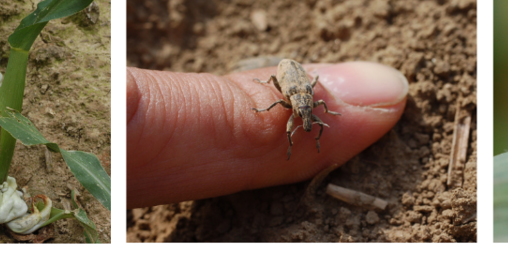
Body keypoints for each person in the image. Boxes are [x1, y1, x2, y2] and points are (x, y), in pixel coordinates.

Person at [127, 61, 408, 209]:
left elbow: (319, 112)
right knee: (277, 114)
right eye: (303, 117)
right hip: (288, 75)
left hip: (297, 76)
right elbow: (278, 102)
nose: (307, 122)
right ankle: (279, 125)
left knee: (316, 120)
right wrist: (262, 103)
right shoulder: (289, 103)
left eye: (308, 116)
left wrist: (325, 124)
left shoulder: (312, 103)